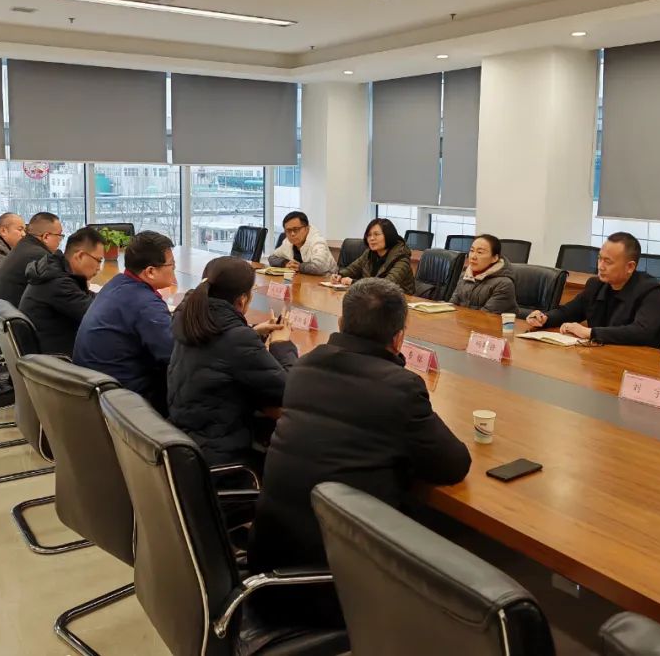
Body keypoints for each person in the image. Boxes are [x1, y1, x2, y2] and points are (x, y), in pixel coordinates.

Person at [248, 278, 471, 619]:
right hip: (338, 584)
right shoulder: (400, 387)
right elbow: (453, 465)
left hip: (269, 562)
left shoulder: (304, 368)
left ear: (340, 323)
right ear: (399, 338)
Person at [167, 256, 296, 469]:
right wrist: (281, 344)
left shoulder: (188, 317)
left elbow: (220, 352)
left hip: (188, 441)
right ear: (242, 300)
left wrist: (252, 333)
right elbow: (289, 392)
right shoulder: (236, 339)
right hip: (221, 457)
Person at [72, 231, 176, 412]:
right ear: (150, 271)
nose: (174, 269)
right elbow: (174, 355)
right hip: (124, 402)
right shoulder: (145, 304)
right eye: (172, 265)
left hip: (93, 394)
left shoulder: (117, 284)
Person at [525, 232, 660, 347]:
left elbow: (641, 332)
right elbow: (568, 312)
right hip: (602, 358)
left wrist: (590, 333)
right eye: (600, 259)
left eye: (608, 262)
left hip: (640, 363)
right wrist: (545, 318)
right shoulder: (595, 285)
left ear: (630, 267)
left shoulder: (651, 291)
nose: (600, 266)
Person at [18, 227, 104, 356]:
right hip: (56, 360)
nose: (99, 268)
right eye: (98, 261)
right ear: (80, 256)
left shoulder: (55, 270)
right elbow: (98, 315)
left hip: (44, 353)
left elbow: (85, 298)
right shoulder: (58, 283)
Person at [0, 212, 63, 306]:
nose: (60, 240)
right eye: (60, 235)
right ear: (46, 236)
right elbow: (59, 293)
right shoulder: (39, 256)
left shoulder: (24, 245)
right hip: (13, 312)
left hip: (0, 310)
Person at [332, 218, 415, 294]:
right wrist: (339, 275)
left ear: (388, 235)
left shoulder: (401, 257)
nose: (371, 238)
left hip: (400, 300)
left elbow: (386, 285)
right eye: (369, 235)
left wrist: (354, 283)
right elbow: (353, 269)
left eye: (376, 234)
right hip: (373, 297)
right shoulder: (370, 253)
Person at [449, 234, 519, 314]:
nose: (473, 257)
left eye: (480, 252)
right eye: (472, 250)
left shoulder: (503, 284)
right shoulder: (465, 276)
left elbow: (485, 317)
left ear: (494, 258)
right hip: (465, 321)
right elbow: (452, 306)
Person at [267, 211, 337, 276]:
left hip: (324, 282)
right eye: (288, 230)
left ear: (307, 228)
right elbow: (272, 258)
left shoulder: (318, 242)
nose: (292, 234)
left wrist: (299, 267)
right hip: (301, 280)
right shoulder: (287, 243)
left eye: (296, 229)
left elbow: (320, 267)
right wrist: (285, 263)